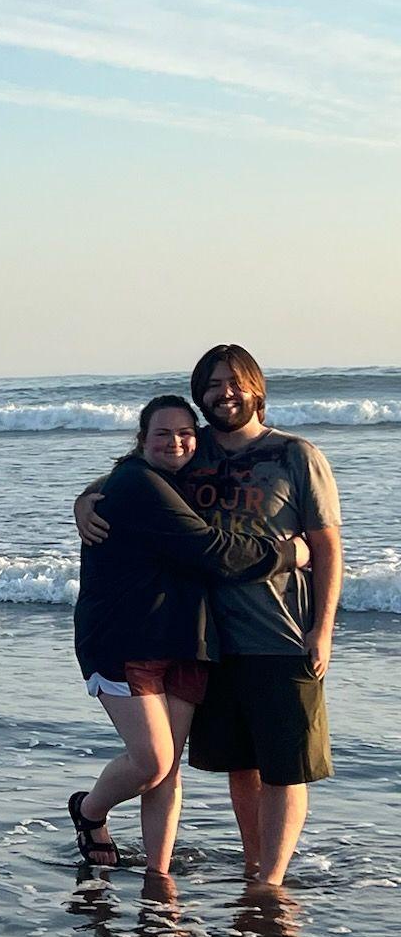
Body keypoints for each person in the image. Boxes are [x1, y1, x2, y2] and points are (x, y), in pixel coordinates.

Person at [77, 346, 342, 887]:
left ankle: (271, 883)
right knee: (239, 766)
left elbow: (327, 547)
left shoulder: (296, 455)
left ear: (256, 388)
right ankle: (251, 871)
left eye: (235, 382)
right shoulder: (194, 451)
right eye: (213, 384)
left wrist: (323, 629)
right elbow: (128, 478)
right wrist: (83, 500)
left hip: (282, 634)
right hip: (210, 639)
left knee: (285, 767)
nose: (225, 393)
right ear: (200, 394)